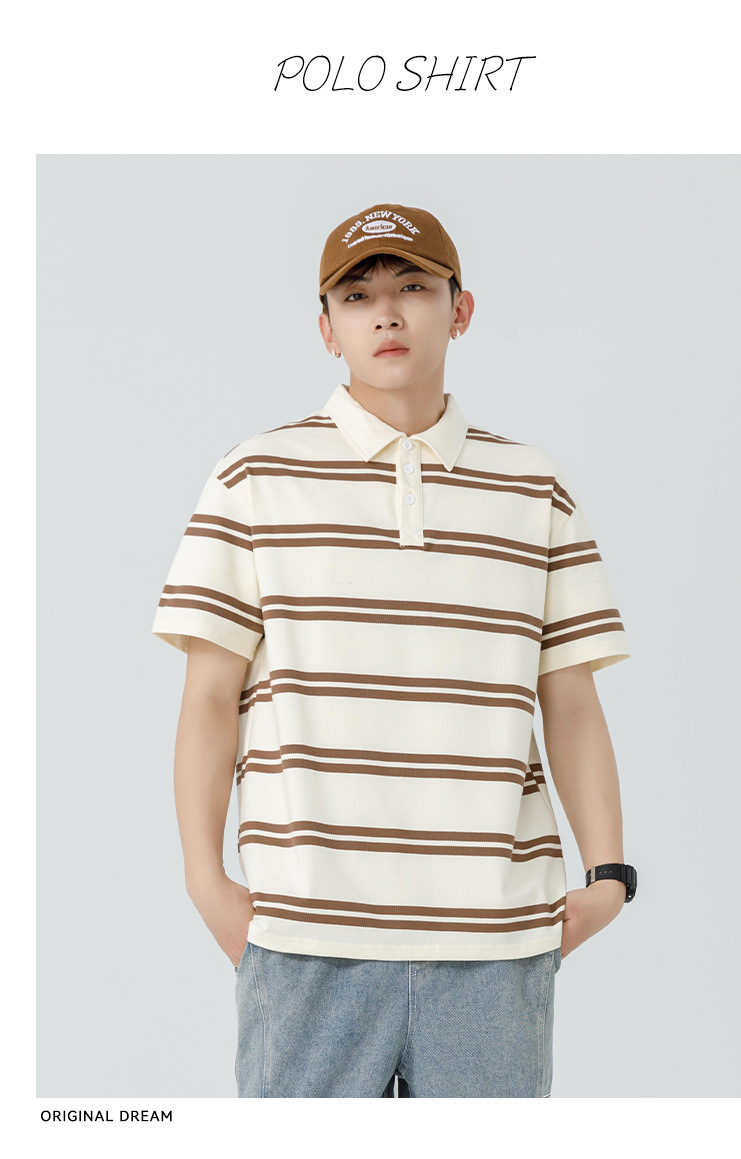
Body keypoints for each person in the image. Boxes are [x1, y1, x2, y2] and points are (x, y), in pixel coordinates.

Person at [151, 202, 637, 1098]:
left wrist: (608, 875)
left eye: (413, 286)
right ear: (326, 328)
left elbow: (570, 699)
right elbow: (209, 696)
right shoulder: (255, 477)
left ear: (461, 309)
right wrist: (206, 883)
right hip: (307, 940)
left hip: (495, 945)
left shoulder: (534, 488)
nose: (386, 312)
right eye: (357, 294)